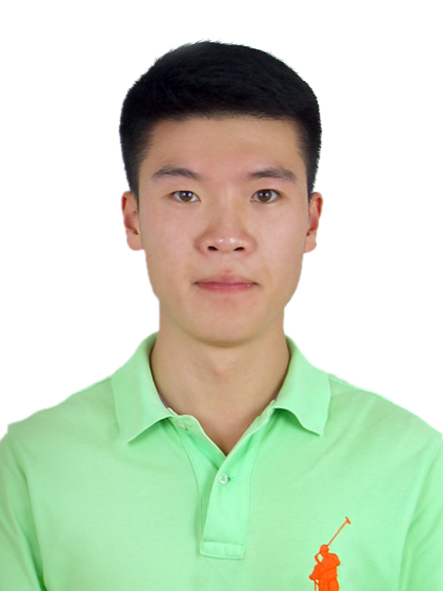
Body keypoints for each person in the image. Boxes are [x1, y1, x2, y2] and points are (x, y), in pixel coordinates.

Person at [0, 41, 442, 591]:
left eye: (265, 194)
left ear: (311, 221)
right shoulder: (31, 466)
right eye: (185, 195)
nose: (226, 237)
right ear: (133, 219)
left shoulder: (416, 465)